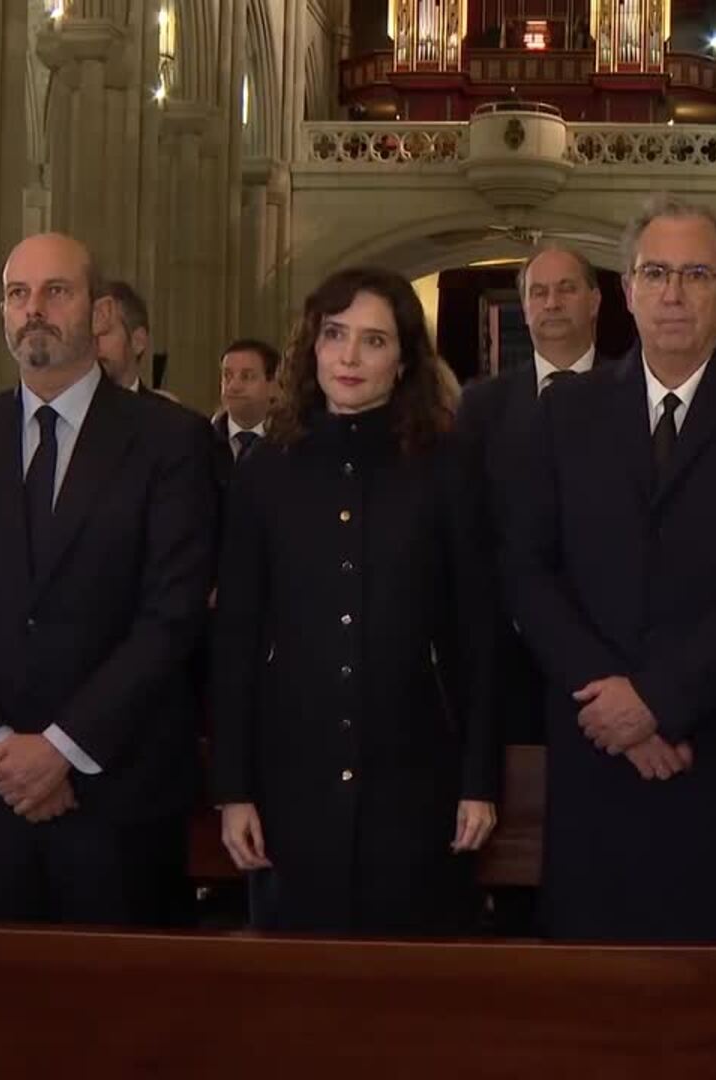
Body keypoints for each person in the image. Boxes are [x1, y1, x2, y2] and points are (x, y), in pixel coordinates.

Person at [507, 196, 716, 941]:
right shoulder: (565, 413)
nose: (673, 293)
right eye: (655, 273)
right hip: (597, 756)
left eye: (696, 274)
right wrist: (615, 705)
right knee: (593, 993)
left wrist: (660, 699)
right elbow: (528, 573)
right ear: (627, 291)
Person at [0, 232, 217, 927]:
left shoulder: (170, 440)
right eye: (18, 294)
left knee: (125, 991)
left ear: (99, 312)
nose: (34, 310)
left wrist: (62, 749)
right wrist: (0, 751)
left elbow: (170, 616)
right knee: (7, 990)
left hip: (121, 784)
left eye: (56, 291)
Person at [209, 267, 499, 935]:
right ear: (311, 346)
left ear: (403, 360)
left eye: (374, 341)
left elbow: (478, 637)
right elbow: (236, 639)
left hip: (417, 781)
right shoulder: (266, 469)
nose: (349, 357)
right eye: (335, 335)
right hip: (290, 782)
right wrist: (233, 791)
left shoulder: (447, 465)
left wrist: (478, 781)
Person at [456, 246, 613, 747]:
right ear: (523, 308)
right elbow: (469, 523)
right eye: (538, 292)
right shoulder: (482, 406)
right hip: (508, 648)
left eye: (566, 289)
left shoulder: (633, 394)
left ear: (595, 300)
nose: (552, 303)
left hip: (613, 642)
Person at [214, 338, 279, 469]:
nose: (233, 386)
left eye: (247, 376)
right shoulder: (201, 441)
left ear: (273, 386)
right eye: (227, 376)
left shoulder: (294, 443)